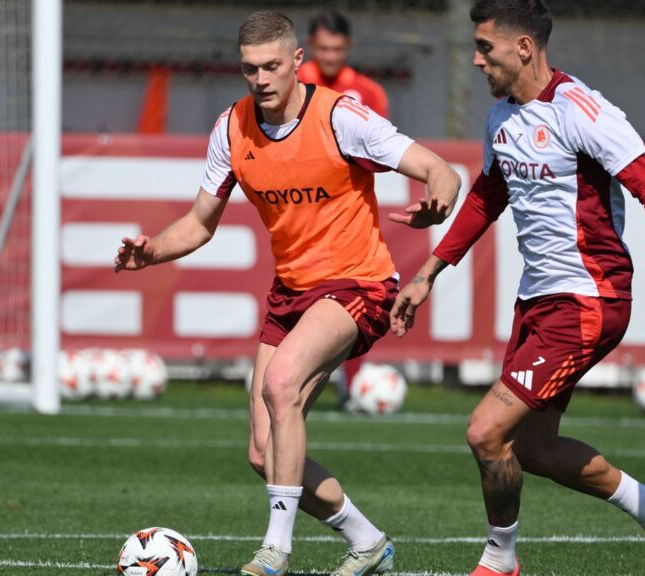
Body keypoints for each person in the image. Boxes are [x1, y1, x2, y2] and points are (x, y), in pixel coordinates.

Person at [114, 11, 461, 576]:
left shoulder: (341, 117)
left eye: (272, 65)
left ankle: (275, 549)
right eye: (250, 68)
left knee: (282, 385)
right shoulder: (232, 129)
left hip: (359, 284)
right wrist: (150, 252)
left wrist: (439, 198)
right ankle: (368, 540)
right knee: (262, 452)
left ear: (297, 61)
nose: (261, 78)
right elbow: (201, 223)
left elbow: (437, 167)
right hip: (292, 292)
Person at [391, 2, 645, 574]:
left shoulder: (582, 109)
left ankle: (500, 560)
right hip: (538, 301)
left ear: (524, 47)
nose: (477, 60)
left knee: (484, 431)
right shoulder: (501, 117)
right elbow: (487, 196)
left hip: (588, 300)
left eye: (486, 48)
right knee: (530, 448)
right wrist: (429, 272)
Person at [298, 10, 392, 407]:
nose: (331, 55)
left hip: (347, 211)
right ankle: (297, 377)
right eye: (323, 48)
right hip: (300, 211)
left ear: (347, 48)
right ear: (310, 48)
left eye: (337, 48)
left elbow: (379, 150)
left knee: (351, 296)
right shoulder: (296, 82)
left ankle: (349, 386)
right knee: (300, 295)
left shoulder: (368, 92)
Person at [298, 10, 389, 118]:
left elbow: (378, 134)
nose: (330, 58)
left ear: (348, 44)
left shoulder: (371, 92)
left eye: (337, 49)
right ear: (311, 43)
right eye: (323, 49)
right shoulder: (291, 83)